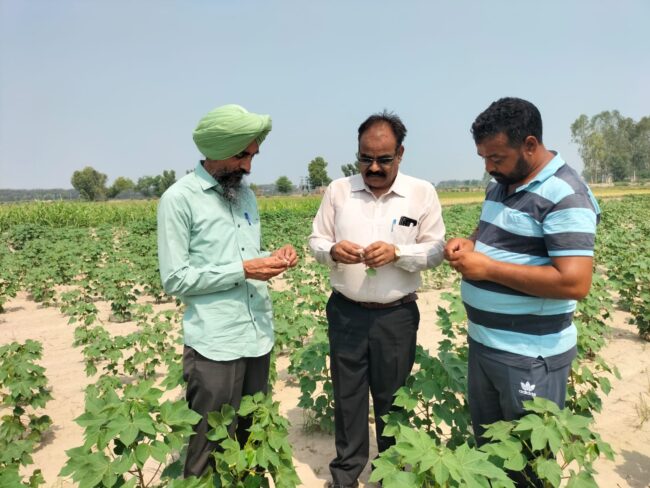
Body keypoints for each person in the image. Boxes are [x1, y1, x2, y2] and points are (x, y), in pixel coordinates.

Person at [444, 97, 600, 486]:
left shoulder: (567, 194)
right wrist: (470, 244)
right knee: (490, 459)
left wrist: (488, 268)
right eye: (483, 157)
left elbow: (575, 282)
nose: (488, 166)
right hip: (485, 346)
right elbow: (490, 235)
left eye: (496, 157)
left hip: (530, 358)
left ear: (529, 145)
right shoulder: (501, 185)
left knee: (526, 467)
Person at [157, 104, 298, 477]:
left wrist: (273, 258)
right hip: (215, 345)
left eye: (252, 156)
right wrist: (244, 270)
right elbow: (176, 278)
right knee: (208, 448)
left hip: (257, 337)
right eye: (241, 156)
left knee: (253, 441)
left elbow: (246, 255)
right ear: (217, 150)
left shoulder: (245, 196)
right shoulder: (179, 199)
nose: (248, 166)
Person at [309, 110, 446, 488]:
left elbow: (435, 249)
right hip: (346, 312)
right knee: (347, 395)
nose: (372, 167)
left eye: (383, 159)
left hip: (396, 316)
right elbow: (316, 240)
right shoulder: (338, 191)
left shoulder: (421, 193)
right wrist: (333, 250)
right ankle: (346, 473)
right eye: (364, 158)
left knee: (393, 398)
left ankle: (390, 474)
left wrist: (398, 253)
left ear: (400, 154)